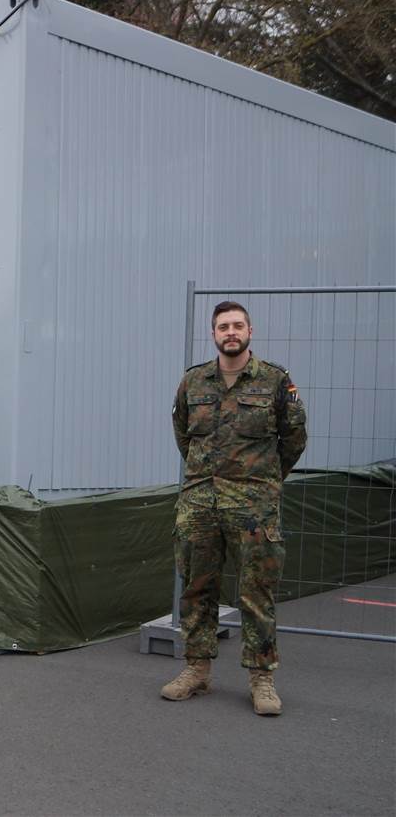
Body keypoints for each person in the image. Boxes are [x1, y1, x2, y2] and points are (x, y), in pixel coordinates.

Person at [163, 301, 307, 716]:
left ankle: (262, 679)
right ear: (213, 334)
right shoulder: (193, 382)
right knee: (196, 588)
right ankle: (197, 669)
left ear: (250, 331)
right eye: (223, 326)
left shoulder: (276, 381)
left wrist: (263, 481)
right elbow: (183, 435)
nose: (231, 332)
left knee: (256, 592)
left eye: (237, 325)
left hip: (253, 506)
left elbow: (294, 438)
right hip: (200, 503)